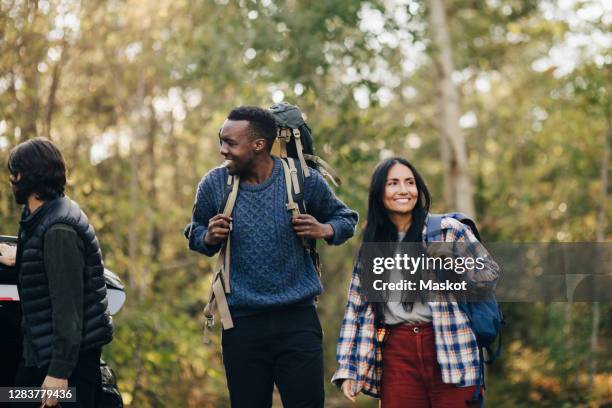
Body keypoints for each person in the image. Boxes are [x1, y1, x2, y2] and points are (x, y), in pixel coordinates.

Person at [185, 106, 358, 408]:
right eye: (220, 141)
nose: (222, 149)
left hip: (297, 321)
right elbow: (195, 232)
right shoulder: (214, 184)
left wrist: (324, 228)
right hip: (241, 325)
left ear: (259, 145)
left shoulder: (303, 179)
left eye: (230, 143)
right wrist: (207, 237)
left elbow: (346, 219)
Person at [332, 157, 499, 407]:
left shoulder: (448, 230)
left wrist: (454, 262)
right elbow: (356, 309)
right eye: (393, 183)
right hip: (397, 353)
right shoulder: (373, 244)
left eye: (410, 182)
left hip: (451, 345)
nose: (403, 190)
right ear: (379, 193)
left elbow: (490, 274)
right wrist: (348, 368)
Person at [5, 137, 113, 407]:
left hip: (63, 367)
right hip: (42, 355)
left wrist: (58, 373)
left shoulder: (58, 230)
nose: (11, 180)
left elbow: (68, 307)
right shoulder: (45, 216)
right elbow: (50, 267)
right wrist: (18, 256)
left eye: (15, 173)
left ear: (29, 176)